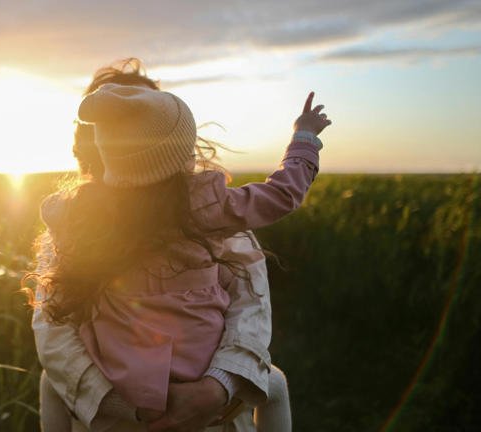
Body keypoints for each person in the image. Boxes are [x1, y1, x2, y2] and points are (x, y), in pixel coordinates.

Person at [30, 60, 330, 431]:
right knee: (276, 383)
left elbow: (250, 306)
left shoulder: (79, 217)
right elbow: (283, 194)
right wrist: (304, 139)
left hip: (139, 385)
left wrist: (212, 389)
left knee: (49, 383)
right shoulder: (211, 208)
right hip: (183, 381)